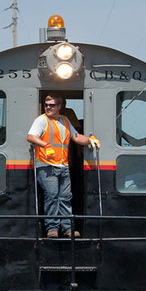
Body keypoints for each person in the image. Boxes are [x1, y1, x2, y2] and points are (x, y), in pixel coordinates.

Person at [27, 94, 99, 238]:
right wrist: (45, 144)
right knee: (52, 197)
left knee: (65, 196)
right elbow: (31, 136)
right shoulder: (42, 120)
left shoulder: (65, 121)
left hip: (63, 166)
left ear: (59, 107)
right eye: (46, 105)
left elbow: (76, 137)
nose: (48, 107)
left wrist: (90, 140)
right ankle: (52, 228)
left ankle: (68, 228)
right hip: (46, 166)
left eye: (52, 105)